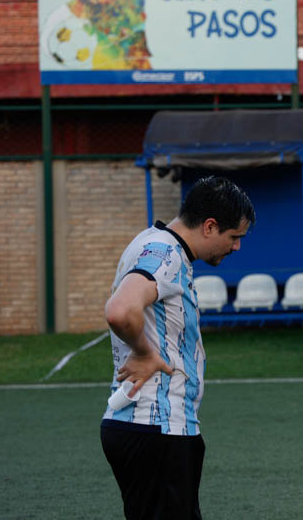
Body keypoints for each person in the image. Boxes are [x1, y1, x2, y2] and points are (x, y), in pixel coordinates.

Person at [100, 176, 255, 520]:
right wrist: (144, 353)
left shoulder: (153, 243)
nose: (236, 247)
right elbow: (120, 310)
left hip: (146, 427)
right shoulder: (166, 253)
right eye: (234, 237)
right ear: (210, 226)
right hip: (156, 428)